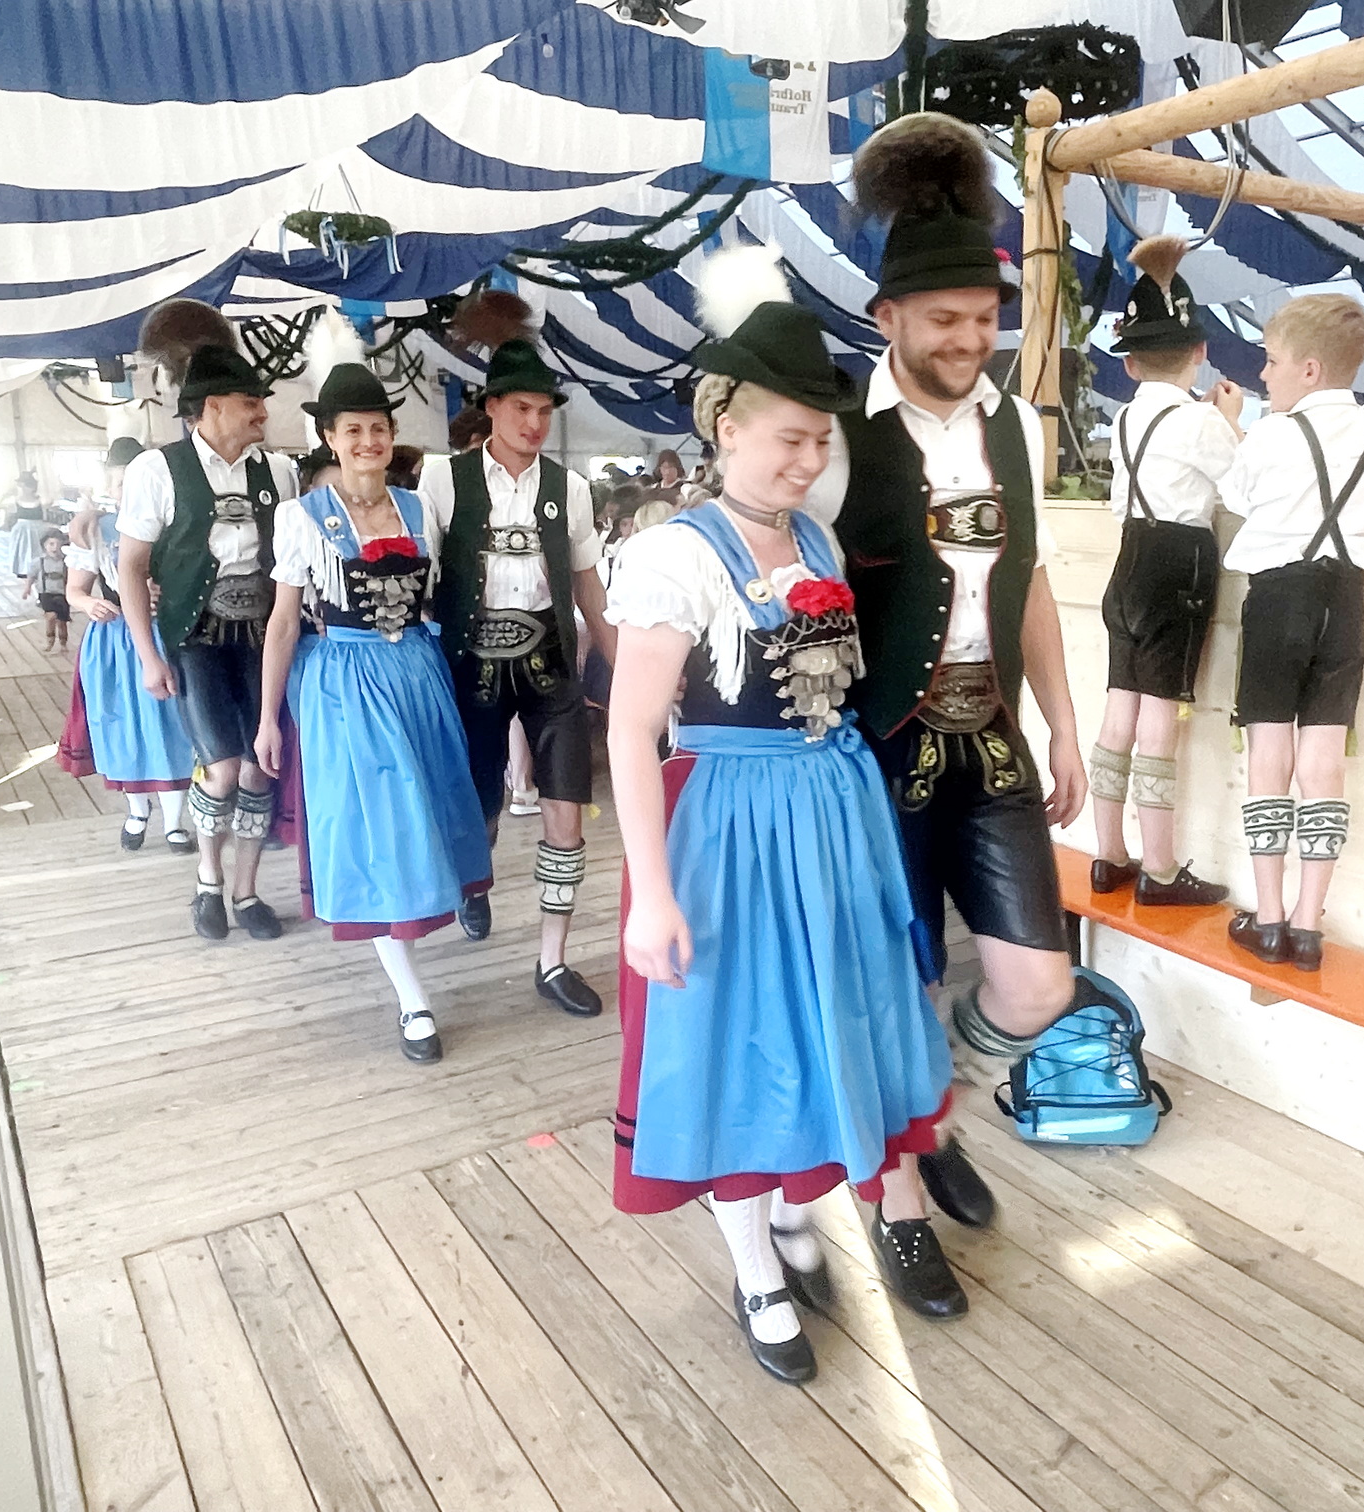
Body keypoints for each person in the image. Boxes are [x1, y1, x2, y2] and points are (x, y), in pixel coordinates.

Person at [608, 263, 955, 1383]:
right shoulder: (674, 553)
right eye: (790, 439)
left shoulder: (817, 544)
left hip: (831, 815)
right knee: (739, 1041)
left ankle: (803, 1216)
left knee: (820, 1022)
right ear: (726, 428)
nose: (810, 461)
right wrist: (652, 895)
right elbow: (631, 731)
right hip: (731, 827)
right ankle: (757, 1268)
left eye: (820, 441)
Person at [806, 111, 1088, 1235]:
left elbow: (1032, 583)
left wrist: (1064, 726)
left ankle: (939, 1111)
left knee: (1038, 985)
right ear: (887, 317)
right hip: (876, 750)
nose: (972, 338)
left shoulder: (1018, 423)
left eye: (984, 316)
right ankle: (900, 1204)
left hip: (994, 739)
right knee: (900, 981)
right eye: (945, 319)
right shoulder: (836, 436)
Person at [254, 365, 492, 1061]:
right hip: (346, 683)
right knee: (379, 826)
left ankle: (444, 908)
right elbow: (283, 623)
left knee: (428, 812)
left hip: (417, 673)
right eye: (353, 429)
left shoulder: (419, 510)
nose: (368, 441)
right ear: (329, 438)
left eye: (379, 428)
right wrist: (268, 719)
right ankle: (412, 999)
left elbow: (437, 602)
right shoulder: (302, 517)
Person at [417, 339, 616, 1018]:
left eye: (544, 411)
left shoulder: (571, 488)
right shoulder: (443, 480)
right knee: (481, 811)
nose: (535, 423)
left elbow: (588, 585)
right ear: (493, 406)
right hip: (470, 665)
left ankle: (551, 961)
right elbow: (421, 575)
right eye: (522, 408)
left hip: (550, 664)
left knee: (566, 811)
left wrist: (621, 666)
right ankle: (475, 882)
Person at [1220, 295, 1364, 972]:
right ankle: (1308, 925)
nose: (1263, 375)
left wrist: (1238, 427)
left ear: (1307, 369)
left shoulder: (1272, 434)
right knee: (1325, 759)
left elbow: (1235, 497)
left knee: (1269, 751)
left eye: (1271, 362)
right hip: (1346, 600)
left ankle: (1268, 917)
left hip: (1279, 597)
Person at [118, 318, 299, 943]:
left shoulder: (279, 472)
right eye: (252, 401)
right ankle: (208, 880)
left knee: (259, 768)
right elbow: (131, 567)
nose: (263, 412)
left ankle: (246, 891)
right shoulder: (156, 469)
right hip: (195, 638)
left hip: (264, 639)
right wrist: (148, 655)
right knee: (221, 769)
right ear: (212, 406)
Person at [1089, 235, 1242, 907]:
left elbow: (1118, 498)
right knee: (1159, 719)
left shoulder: (1126, 419)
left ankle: (1109, 855)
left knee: (1118, 708)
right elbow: (1244, 492)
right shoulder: (1201, 422)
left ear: (1128, 363)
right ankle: (1159, 868)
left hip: (1127, 561)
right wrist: (1230, 422)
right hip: (1179, 566)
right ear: (1200, 351)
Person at [56, 441, 197, 853]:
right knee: (120, 725)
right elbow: (74, 590)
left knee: (171, 726)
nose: (125, 490)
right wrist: (90, 603)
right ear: (109, 485)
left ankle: (174, 821)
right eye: (119, 482)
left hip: (167, 634)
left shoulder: (175, 524)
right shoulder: (95, 530)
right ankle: (137, 810)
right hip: (115, 640)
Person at [27, 532, 72, 652]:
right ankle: (50, 641)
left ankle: (63, 643)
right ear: (44, 546)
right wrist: (27, 588)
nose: (55, 547)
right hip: (46, 593)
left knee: (62, 621)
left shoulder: (67, 561)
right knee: (50, 617)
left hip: (62, 593)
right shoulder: (39, 562)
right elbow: (31, 576)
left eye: (58, 544)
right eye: (51, 544)